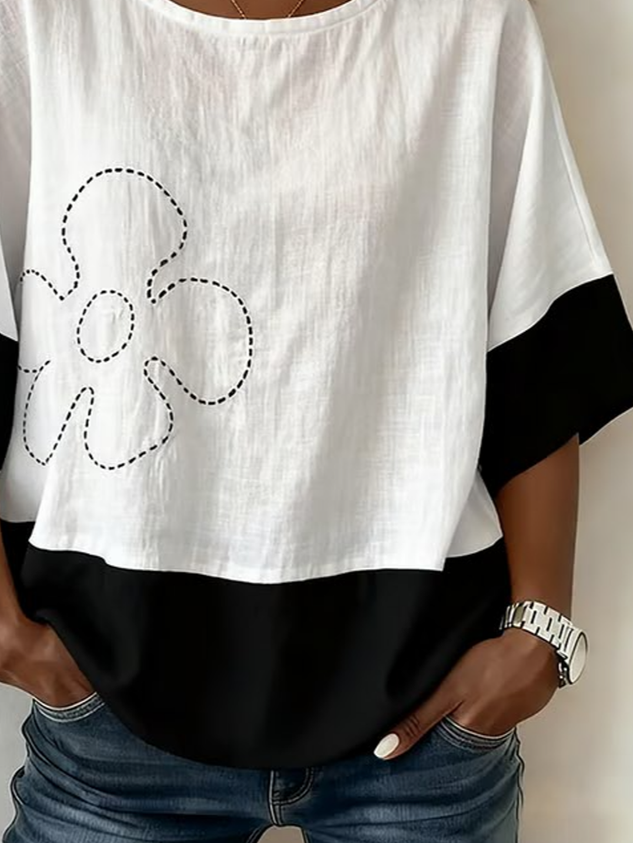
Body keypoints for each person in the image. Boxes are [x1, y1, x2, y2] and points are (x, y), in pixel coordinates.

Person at [1, 0, 633, 840]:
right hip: (111, 724)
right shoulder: (42, 20)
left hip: (423, 717)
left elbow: (537, 332)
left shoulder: (466, 22)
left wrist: (538, 634)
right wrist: (9, 634)